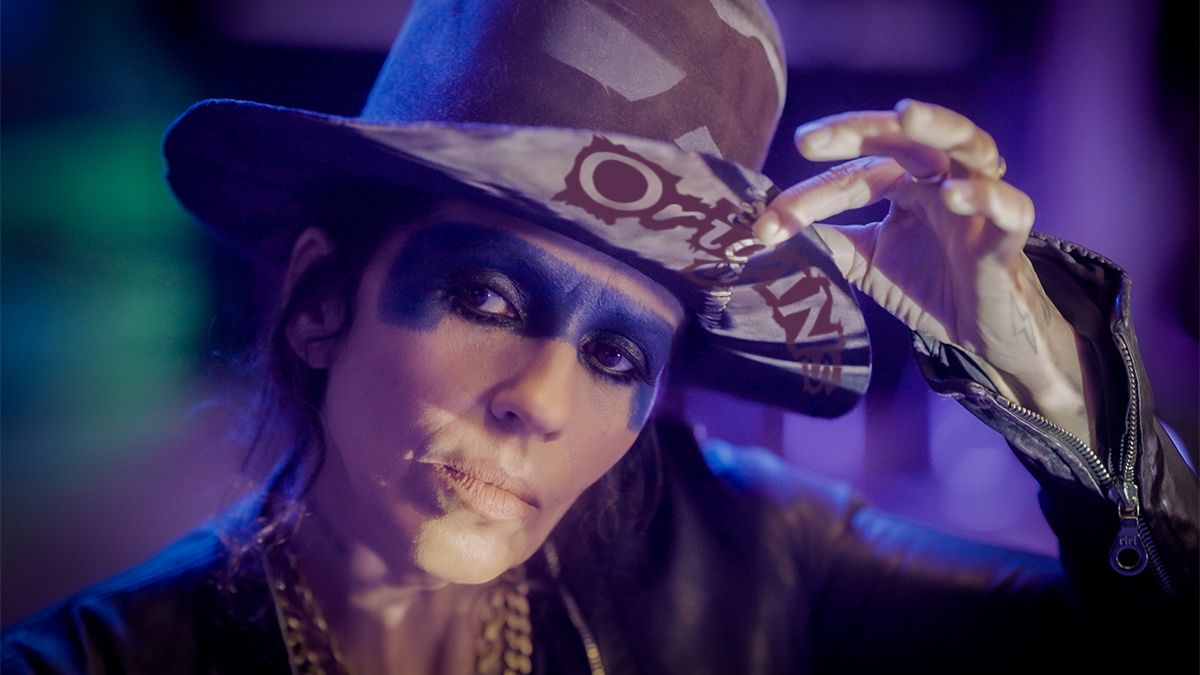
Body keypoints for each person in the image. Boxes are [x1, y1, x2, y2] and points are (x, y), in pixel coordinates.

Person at [3, 0, 1196, 673]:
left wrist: (1051, 390)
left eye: (619, 356)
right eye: (486, 299)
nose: (542, 399)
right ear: (321, 300)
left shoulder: (755, 557)